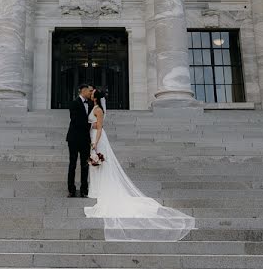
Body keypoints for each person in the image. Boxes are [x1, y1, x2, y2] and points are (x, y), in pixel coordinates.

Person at [83, 88, 195, 242]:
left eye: (93, 92)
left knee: (101, 163)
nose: (91, 93)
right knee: (96, 164)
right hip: (92, 136)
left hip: (98, 139)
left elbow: (100, 127)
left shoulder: (98, 110)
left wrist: (95, 142)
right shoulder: (93, 107)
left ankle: (100, 188)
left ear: (95, 97)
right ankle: (95, 188)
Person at [65, 83, 94, 198]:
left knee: (85, 165)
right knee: (72, 164)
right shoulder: (74, 103)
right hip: (74, 138)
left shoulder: (91, 104)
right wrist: (90, 125)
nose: (90, 93)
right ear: (83, 91)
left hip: (85, 139)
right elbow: (75, 119)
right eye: (89, 91)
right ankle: (71, 189)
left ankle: (84, 189)